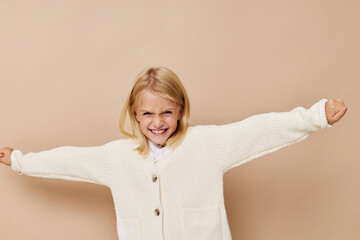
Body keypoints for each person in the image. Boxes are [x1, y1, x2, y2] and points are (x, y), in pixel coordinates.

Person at [0, 66, 348, 240]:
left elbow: (258, 130)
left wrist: (315, 116)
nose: (157, 122)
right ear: (135, 115)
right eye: (148, 114)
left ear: (181, 110)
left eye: (167, 112)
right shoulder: (117, 157)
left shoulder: (206, 144)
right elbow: (68, 160)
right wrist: (20, 160)